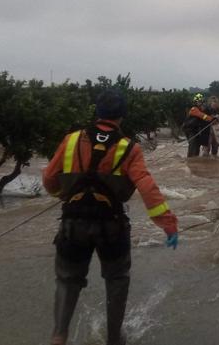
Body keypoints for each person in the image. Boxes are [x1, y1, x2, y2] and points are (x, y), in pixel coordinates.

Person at [43, 90, 178, 345]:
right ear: (121, 117)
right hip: (112, 226)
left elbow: (49, 179)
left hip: (73, 224)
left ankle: (59, 335)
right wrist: (168, 224)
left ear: (97, 112)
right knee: (116, 280)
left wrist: (63, 195)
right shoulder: (130, 148)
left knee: (67, 280)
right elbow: (147, 188)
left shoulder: (71, 140)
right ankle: (114, 339)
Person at [183, 93, 219, 157]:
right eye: (199, 102)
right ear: (195, 102)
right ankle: (190, 160)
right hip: (189, 130)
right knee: (192, 146)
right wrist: (212, 119)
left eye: (202, 102)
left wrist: (215, 118)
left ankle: (196, 162)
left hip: (196, 130)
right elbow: (203, 116)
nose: (201, 103)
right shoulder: (193, 109)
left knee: (197, 147)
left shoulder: (201, 109)